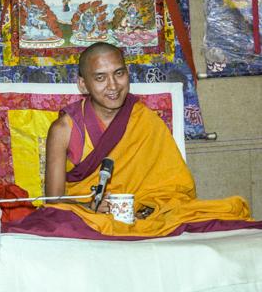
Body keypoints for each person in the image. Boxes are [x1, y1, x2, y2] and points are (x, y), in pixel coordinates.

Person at [44, 42, 253, 237]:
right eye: (100, 78)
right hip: (88, 216)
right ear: (83, 84)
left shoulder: (144, 119)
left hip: (144, 213)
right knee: (55, 221)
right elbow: (53, 201)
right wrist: (90, 206)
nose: (113, 86)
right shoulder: (64, 129)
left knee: (221, 211)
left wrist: (145, 208)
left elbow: (173, 187)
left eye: (119, 73)